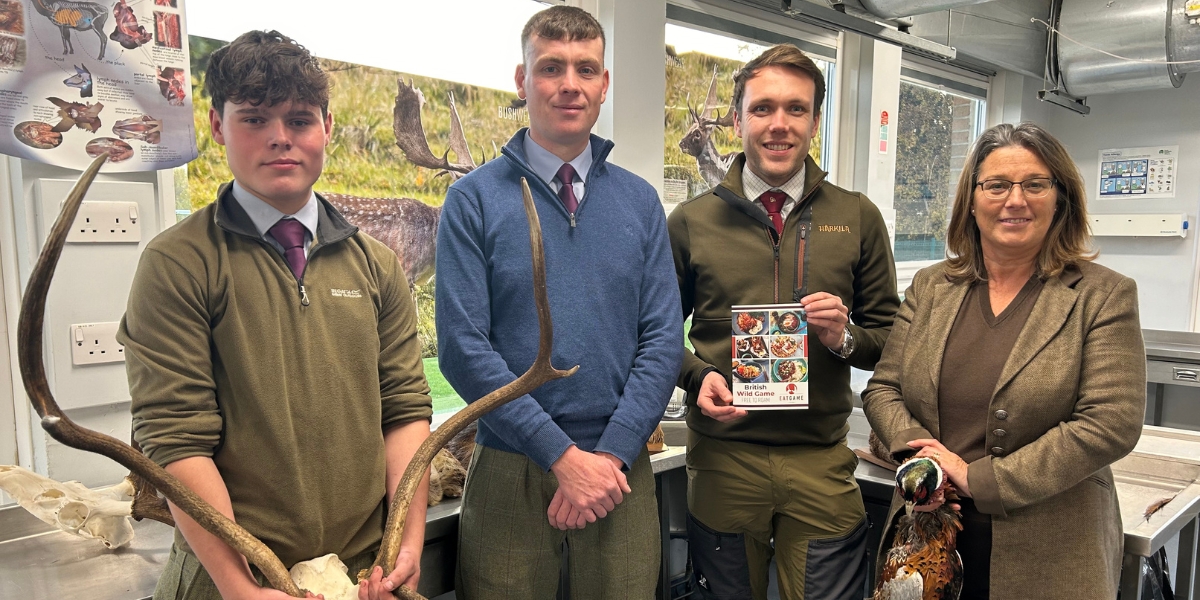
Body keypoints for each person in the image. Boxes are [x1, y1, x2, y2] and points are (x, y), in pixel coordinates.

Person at [118, 30, 433, 600]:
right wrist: (240, 588)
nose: (280, 139)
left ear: (328, 128)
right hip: (230, 581)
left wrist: (405, 547)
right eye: (255, 119)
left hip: (361, 577)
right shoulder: (179, 264)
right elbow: (175, 441)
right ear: (217, 127)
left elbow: (406, 410)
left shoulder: (376, 265)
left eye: (300, 120)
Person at [435, 5, 683, 599]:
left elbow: (663, 339)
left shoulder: (640, 201)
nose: (569, 84)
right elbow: (463, 348)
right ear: (522, 82)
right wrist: (560, 457)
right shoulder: (472, 201)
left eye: (585, 68)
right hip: (508, 466)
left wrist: (612, 455)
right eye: (550, 67)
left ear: (603, 85)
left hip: (620, 468)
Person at [862, 122, 1145, 599]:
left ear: (1060, 199)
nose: (1016, 200)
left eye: (1034, 184)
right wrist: (921, 460)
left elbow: (1110, 422)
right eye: (996, 185)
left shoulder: (1103, 295)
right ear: (971, 201)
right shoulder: (932, 287)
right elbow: (883, 389)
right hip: (926, 531)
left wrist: (977, 478)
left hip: (1051, 545)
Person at [668, 43, 899, 600]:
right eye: (762, 108)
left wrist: (842, 336)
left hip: (820, 460)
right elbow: (652, 337)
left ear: (815, 120)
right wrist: (699, 377)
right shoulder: (691, 222)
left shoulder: (857, 217)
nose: (779, 125)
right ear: (738, 117)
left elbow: (892, 340)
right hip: (724, 459)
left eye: (796, 109)